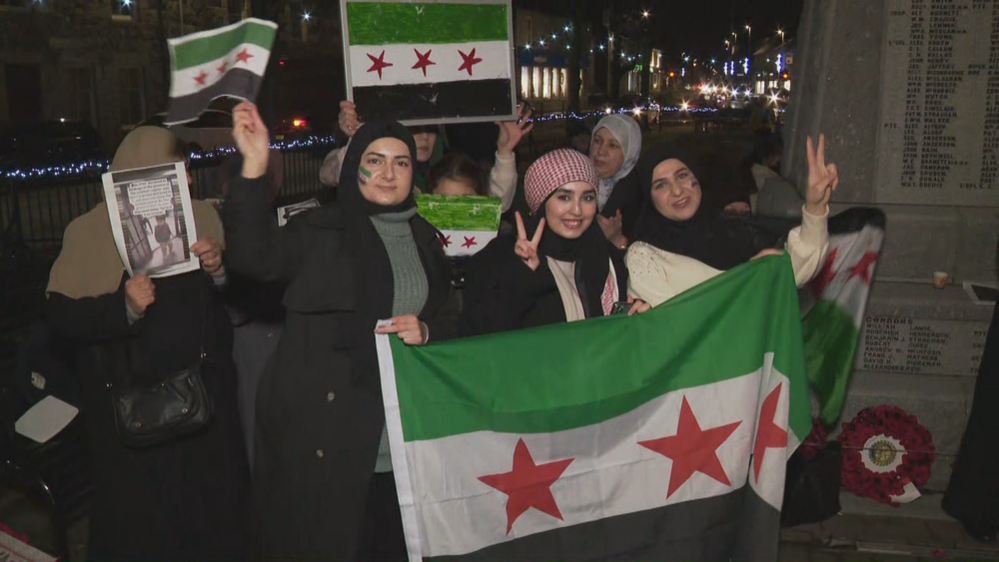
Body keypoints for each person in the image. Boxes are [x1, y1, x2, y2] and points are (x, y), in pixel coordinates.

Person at [224, 102, 452, 561]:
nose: (389, 173)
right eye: (375, 160)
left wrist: (428, 330)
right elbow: (252, 257)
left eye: (401, 162)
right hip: (330, 441)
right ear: (354, 169)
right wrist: (253, 166)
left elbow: (450, 312)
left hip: (405, 439)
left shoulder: (426, 238)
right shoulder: (318, 231)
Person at [44, 127, 248, 562]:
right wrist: (123, 309)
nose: (189, 182)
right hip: (131, 424)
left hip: (203, 416)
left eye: (188, 173)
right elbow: (61, 318)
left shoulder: (203, 217)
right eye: (179, 172)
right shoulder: (88, 233)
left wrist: (218, 270)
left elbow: (225, 307)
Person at [626, 135, 837, 307]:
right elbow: (677, 324)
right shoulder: (644, 256)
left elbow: (797, 269)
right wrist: (746, 278)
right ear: (650, 198)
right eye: (661, 185)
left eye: (682, 175)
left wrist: (815, 207)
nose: (677, 190)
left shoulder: (733, 230)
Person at [459, 148, 649, 337]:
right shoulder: (500, 256)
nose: (577, 210)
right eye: (564, 197)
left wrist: (636, 320)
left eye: (587, 198)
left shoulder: (606, 259)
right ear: (541, 201)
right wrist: (520, 277)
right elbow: (482, 335)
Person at [322, 100, 530, 213]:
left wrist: (505, 152)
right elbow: (336, 173)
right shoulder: (389, 178)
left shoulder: (452, 168)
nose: (423, 137)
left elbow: (493, 206)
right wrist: (358, 139)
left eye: (430, 130)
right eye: (415, 130)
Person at [589, 114, 643, 250]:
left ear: (629, 151)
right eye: (597, 141)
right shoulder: (578, 181)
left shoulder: (639, 196)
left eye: (613, 145)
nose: (600, 151)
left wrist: (617, 240)